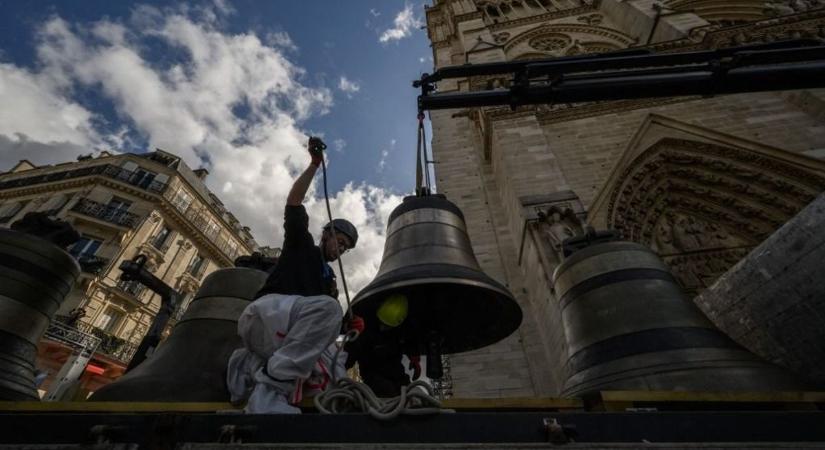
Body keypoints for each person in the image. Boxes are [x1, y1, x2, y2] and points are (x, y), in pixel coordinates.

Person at [226, 136, 363, 414]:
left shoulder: (330, 284)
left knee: (337, 364)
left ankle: (266, 373)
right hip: (266, 316)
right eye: (340, 241)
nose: (341, 249)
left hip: (284, 336)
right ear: (325, 235)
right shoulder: (301, 245)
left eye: (346, 248)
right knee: (329, 308)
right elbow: (294, 201)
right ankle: (270, 391)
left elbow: (317, 329)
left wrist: (347, 329)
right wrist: (314, 165)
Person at [345, 294, 422, 397]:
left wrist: (414, 357)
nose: (383, 327)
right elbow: (347, 357)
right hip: (373, 378)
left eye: (387, 326)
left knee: (414, 394)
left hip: (397, 374)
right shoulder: (365, 330)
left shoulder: (400, 330)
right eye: (381, 323)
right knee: (386, 391)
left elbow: (409, 340)